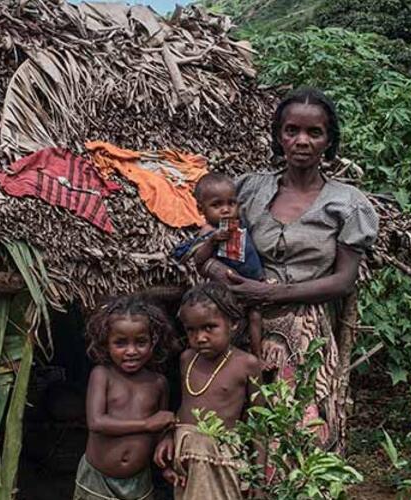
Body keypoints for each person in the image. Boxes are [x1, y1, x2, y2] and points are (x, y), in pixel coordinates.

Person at [206, 87, 379, 453]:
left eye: (314, 133)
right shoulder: (247, 189)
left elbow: (344, 280)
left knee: (302, 432)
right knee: (238, 428)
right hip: (240, 322)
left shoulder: (348, 203)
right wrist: (219, 273)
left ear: (328, 141)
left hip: (306, 331)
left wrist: (271, 293)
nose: (301, 141)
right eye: (291, 130)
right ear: (278, 135)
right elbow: (206, 242)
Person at [154, 283, 263, 500]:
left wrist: (257, 479)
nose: (200, 337)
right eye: (191, 330)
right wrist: (167, 436)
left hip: (223, 458)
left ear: (232, 324)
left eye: (209, 327)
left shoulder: (246, 364)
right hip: (186, 455)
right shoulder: (187, 358)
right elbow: (184, 406)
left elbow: (259, 423)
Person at [77, 295, 176, 500]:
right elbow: (96, 422)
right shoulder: (102, 374)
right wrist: (146, 424)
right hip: (97, 481)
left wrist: (166, 442)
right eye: (120, 343)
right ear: (106, 343)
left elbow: (160, 427)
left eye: (141, 342)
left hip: (139, 483)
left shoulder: (158, 383)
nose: (131, 351)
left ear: (153, 342)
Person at [171, 172, 266, 354]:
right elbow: (199, 259)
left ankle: (257, 355)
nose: (226, 209)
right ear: (201, 210)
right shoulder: (208, 232)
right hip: (227, 288)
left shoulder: (241, 224)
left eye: (231, 203)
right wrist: (212, 241)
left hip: (254, 282)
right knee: (222, 319)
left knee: (255, 316)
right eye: (217, 205)